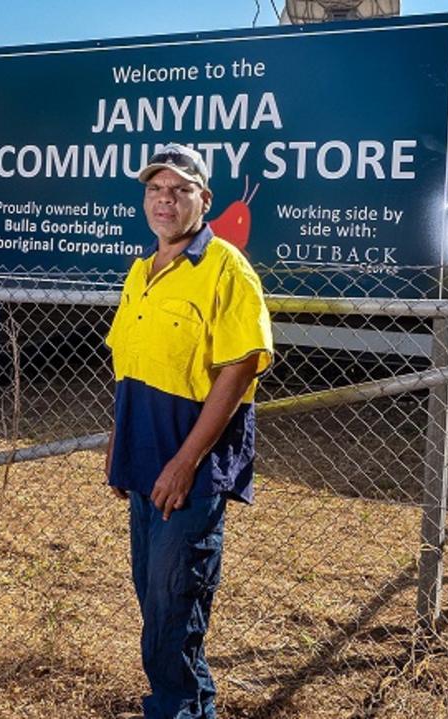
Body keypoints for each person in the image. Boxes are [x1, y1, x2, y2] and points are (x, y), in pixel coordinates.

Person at [105, 144, 274, 718]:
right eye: (155, 189)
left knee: (175, 604)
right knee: (153, 597)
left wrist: (185, 462)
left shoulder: (227, 269)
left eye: (179, 190)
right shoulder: (140, 271)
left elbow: (239, 367)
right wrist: (118, 438)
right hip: (142, 459)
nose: (165, 200)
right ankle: (182, 702)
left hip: (190, 469)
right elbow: (128, 361)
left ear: (204, 198)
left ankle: (177, 709)